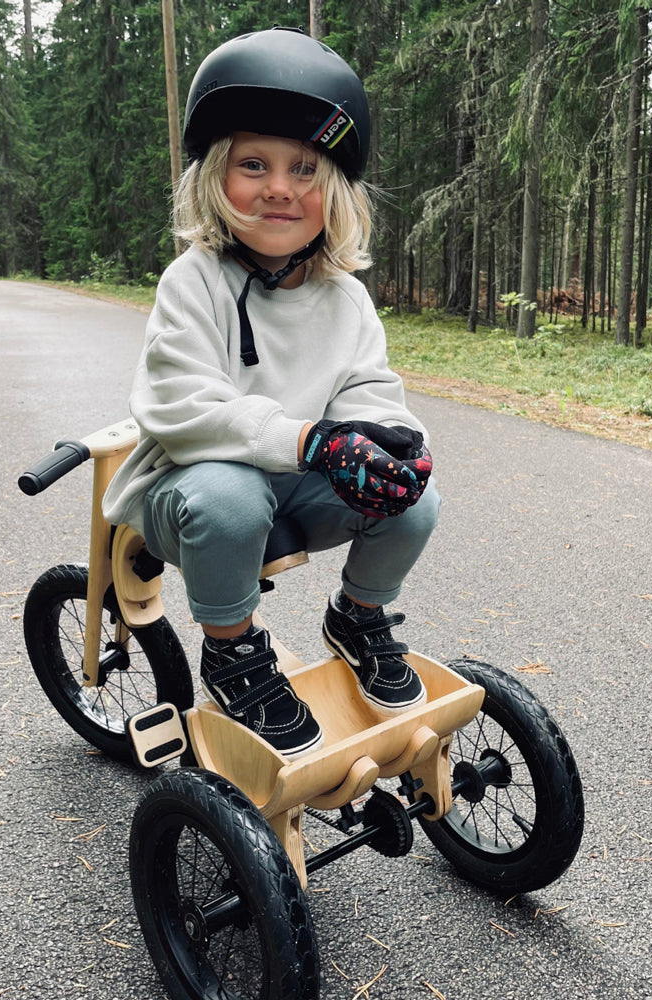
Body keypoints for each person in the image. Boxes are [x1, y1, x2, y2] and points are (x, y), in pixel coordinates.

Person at [102, 27, 439, 759]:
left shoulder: (345, 297)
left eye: (304, 169)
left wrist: (383, 440)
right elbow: (183, 406)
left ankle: (359, 615)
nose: (280, 187)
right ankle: (231, 649)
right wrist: (313, 441)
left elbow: (367, 386)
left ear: (335, 190)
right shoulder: (193, 281)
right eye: (253, 164)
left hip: (292, 483)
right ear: (214, 178)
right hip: (188, 489)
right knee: (230, 495)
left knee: (415, 499)